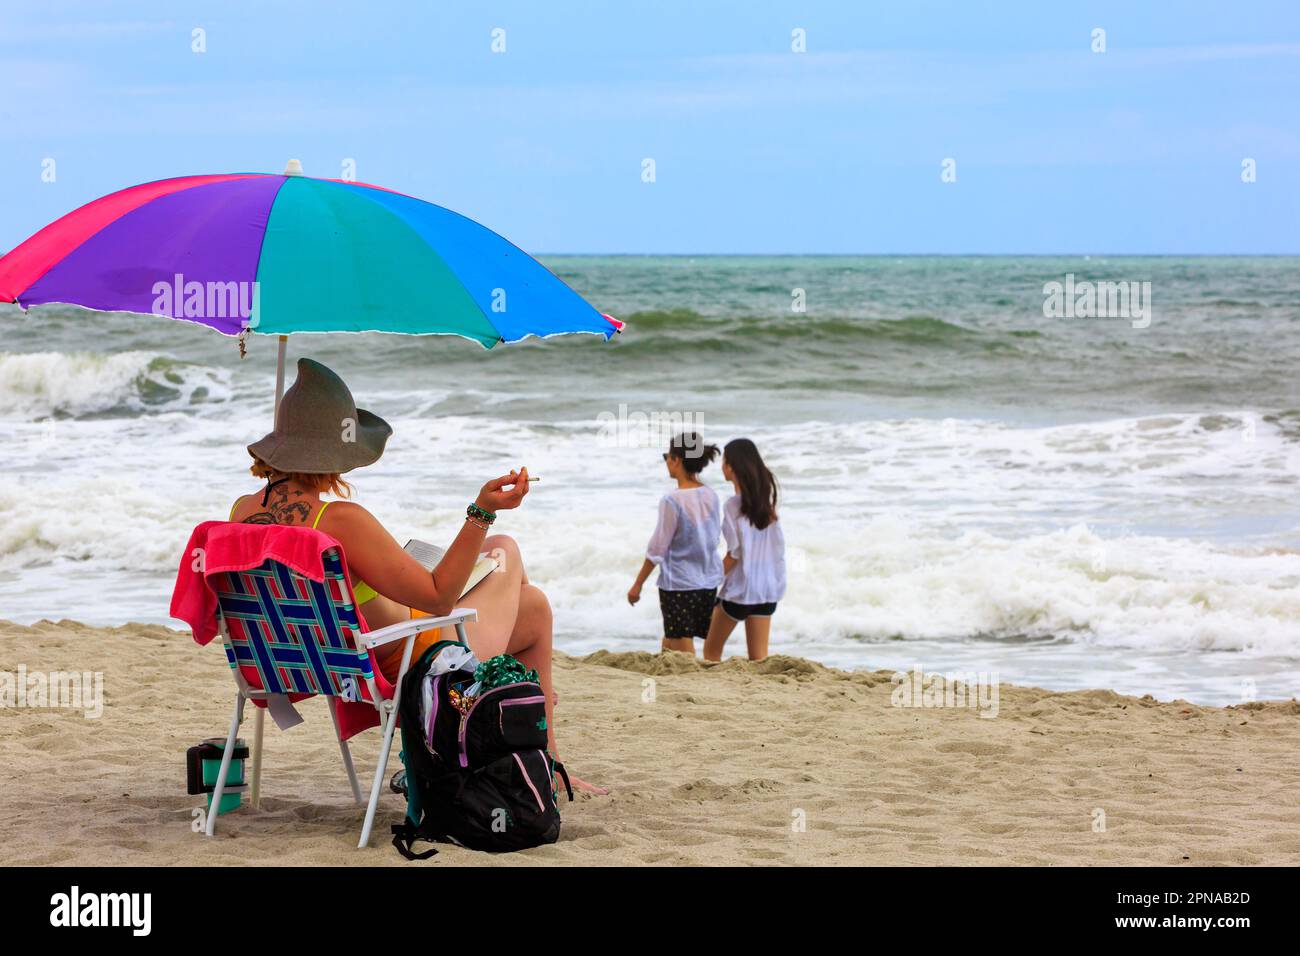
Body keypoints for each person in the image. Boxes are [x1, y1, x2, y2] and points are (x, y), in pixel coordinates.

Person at [230, 358, 606, 793]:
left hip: (313, 662)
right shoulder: (340, 520)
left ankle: (535, 739)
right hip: (417, 663)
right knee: (504, 549)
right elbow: (441, 598)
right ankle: (507, 696)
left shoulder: (241, 512)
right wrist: (482, 510)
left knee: (534, 608)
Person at [627, 432, 722, 654]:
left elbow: (657, 548)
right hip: (708, 582)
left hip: (679, 584)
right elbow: (714, 537)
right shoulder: (711, 495)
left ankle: (692, 684)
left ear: (676, 460)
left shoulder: (672, 500)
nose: (667, 462)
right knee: (673, 637)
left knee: (681, 644)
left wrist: (637, 584)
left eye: (667, 456)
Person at [703, 438, 785, 662]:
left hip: (740, 592)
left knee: (711, 652)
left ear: (732, 467)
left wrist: (710, 580)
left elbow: (735, 555)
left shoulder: (732, 506)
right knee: (758, 658)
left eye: (724, 461)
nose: (722, 466)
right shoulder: (768, 508)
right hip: (767, 590)